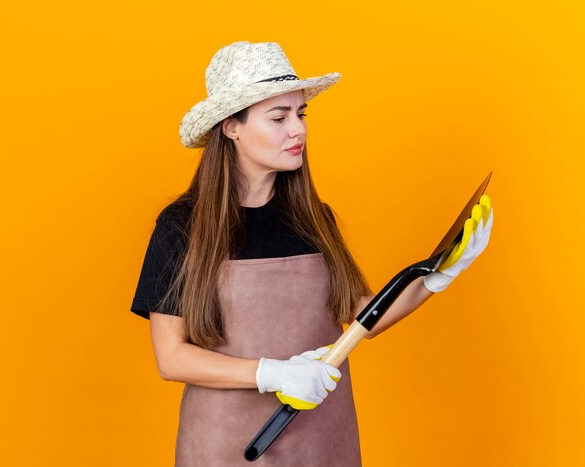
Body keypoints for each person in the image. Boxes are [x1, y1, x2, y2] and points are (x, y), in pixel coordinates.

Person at [130, 41, 493, 466]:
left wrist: (437, 277)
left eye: (300, 115)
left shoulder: (315, 220)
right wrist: (273, 374)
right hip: (226, 444)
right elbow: (171, 358)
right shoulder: (181, 226)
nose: (297, 130)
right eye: (278, 117)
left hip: (322, 438)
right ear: (232, 127)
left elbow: (364, 319)